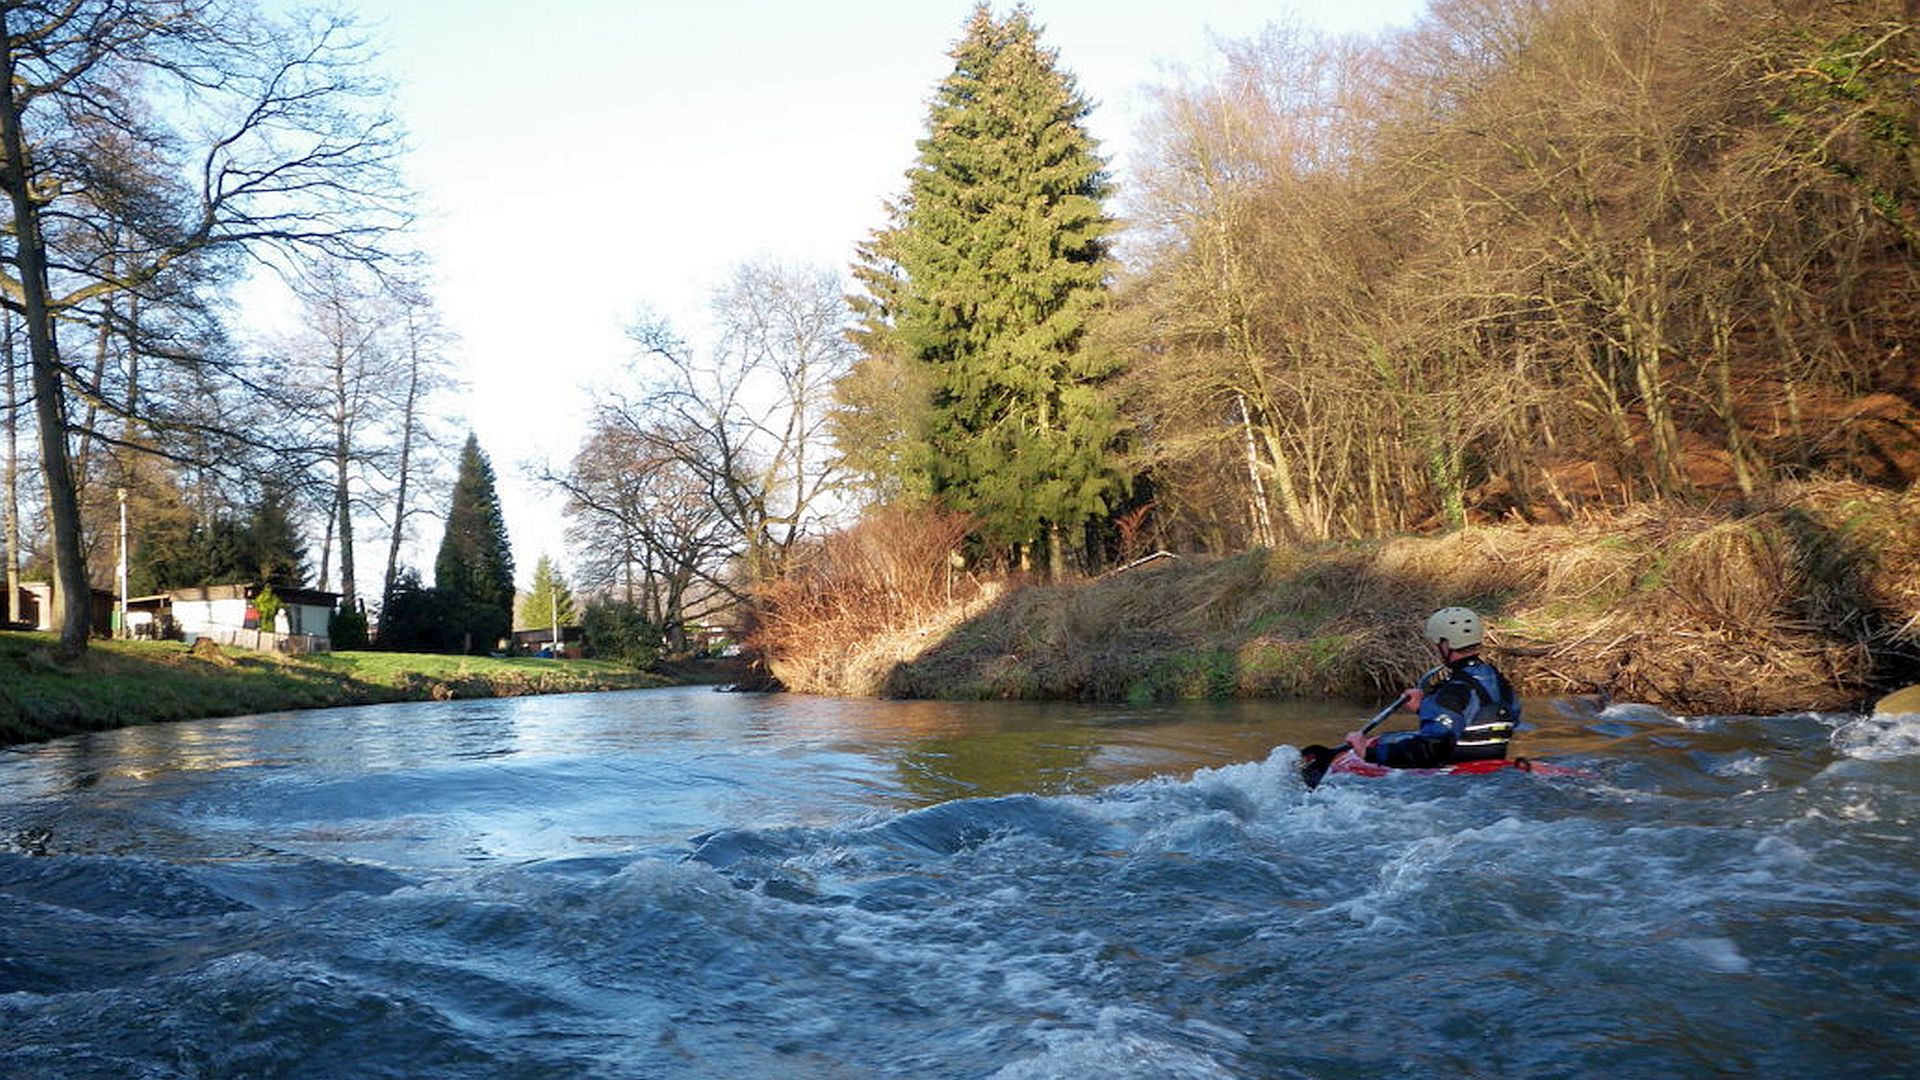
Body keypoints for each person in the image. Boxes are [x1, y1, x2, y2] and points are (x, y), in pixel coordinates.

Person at [1345, 606, 1520, 768]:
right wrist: (1425, 707)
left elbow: (1431, 750)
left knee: (1381, 742)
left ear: (1445, 645)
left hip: (1454, 774)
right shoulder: (1499, 681)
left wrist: (1367, 753)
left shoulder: (1453, 691)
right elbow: (1477, 717)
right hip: (1492, 765)